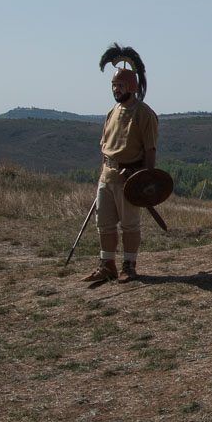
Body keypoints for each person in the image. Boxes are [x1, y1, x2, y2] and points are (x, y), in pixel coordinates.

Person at [82, 44, 159, 284]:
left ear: (132, 86)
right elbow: (104, 146)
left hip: (130, 178)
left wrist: (143, 180)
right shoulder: (111, 111)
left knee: (129, 224)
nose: (116, 89)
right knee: (103, 224)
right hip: (107, 176)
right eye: (114, 85)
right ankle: (107, 265)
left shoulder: (144, 113)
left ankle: (129, 265)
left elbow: (150, 151)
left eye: (120, 85)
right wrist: (102, 174)